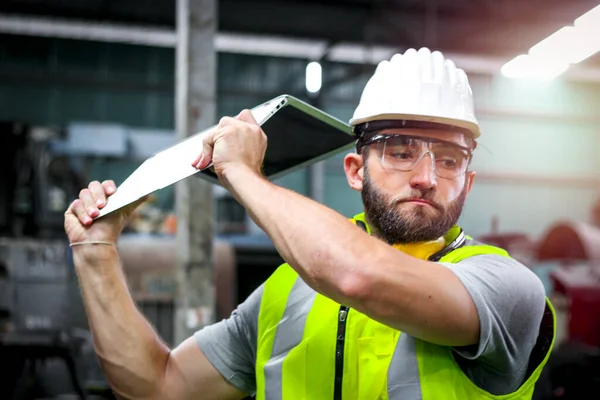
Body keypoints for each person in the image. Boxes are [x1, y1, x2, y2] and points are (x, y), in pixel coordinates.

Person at [64, 48, 555, 400]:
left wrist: (240, 172)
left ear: (467, 184)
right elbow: (157, 386)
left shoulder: (506, 288)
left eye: (449, 160)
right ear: (355, 170)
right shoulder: (283, 293)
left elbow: (358, 276)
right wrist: (95, 252)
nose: (426, 177)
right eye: (400, 151)